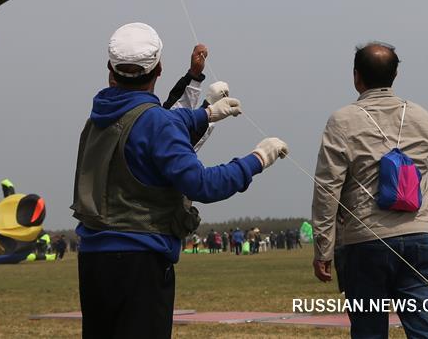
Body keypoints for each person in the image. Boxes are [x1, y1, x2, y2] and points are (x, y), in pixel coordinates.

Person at [72, 23, 288, 339]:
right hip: (140, 262)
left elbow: (157, 118)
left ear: (110, 70)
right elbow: (203, 184)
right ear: (158, 68)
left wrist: (207, 113)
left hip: (92, 260)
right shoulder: (155, 122)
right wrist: (257, 159)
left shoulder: (99, 117)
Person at [312, 42, 428, 338]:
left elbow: (328, 188)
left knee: (369, 331)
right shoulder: (423, 117)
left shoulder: (342, 120)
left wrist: (323, 247)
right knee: (427, 331)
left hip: (365, 241)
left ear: (356, 76)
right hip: (418, 239)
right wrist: (425, 220)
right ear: (395, 74)